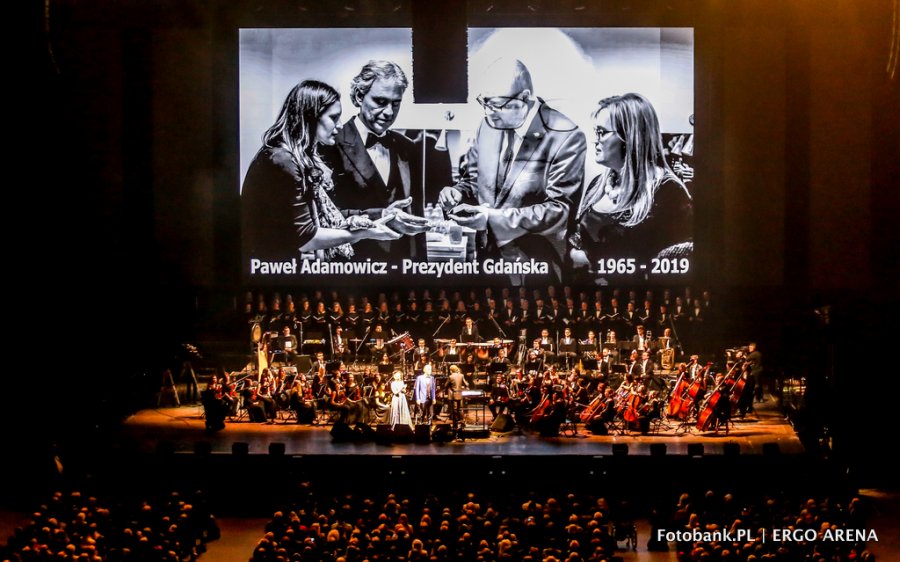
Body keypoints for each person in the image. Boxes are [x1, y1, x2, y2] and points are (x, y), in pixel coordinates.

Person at [439, 58, 587, 282]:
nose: (489, 112)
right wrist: (457, 192)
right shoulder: (487, 126)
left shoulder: (565, 135)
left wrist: (491, 219)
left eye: (497, 104)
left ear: (525, 98)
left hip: (537, 270)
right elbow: (472, 180)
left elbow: (559, 211)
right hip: (488, 263)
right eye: (485, 102)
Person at [241, 79, 400, 267]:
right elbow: (306, 237)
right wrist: (364, 233)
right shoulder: (283, 160)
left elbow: (320, 214)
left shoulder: (293, 157)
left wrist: (380, 215)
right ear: (311, 117)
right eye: (333, 118)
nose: (340, 125)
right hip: (271, 270)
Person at [321, 60, 437, 261]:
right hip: (353, 267)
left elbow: (416, 216)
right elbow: (326, 215)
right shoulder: (330, 144)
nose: (390, 112)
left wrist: (420, 269)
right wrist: (381, 215)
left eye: (396, 103)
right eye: (381, 102)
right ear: (359, 96)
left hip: (402, 269)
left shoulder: (408, 147)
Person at [569, 93, 692, 277]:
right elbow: (575, 244)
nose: (595, 140)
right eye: (596, 132)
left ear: (629, 136)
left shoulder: (668, 192)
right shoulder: (598, 185)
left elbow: (674, 261)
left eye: (602, 132)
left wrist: (589, 259)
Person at [445, 364, 469, 433]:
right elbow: (467, 384)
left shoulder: (450, 377)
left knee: (455, 410)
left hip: (454, 395)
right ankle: (462, 422)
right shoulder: (461, 375)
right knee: (460, 409)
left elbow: (445, 385)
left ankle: (455, 425)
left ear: (451, 370)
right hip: (460, 395)